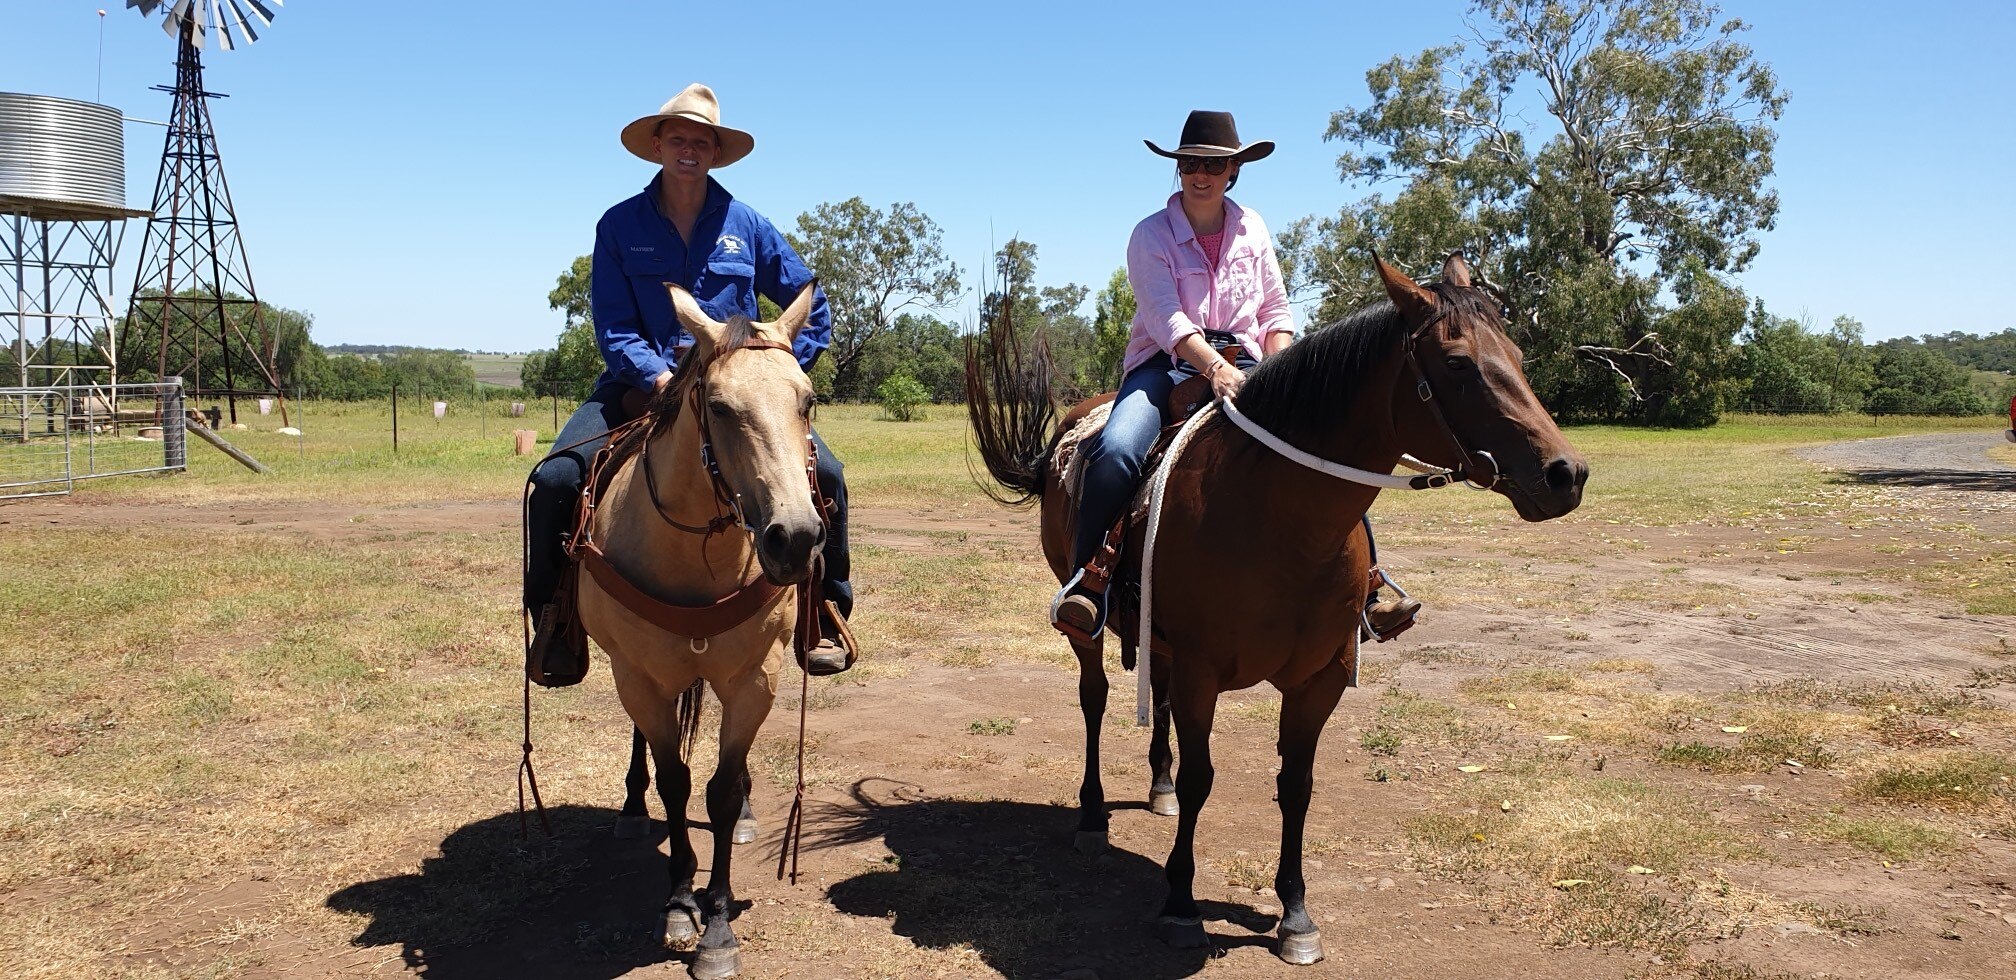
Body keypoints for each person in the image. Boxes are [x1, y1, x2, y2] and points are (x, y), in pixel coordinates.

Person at [1049, 109, 1422, 642]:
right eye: (1190, 164)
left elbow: (1275, 310)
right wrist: (1215, 368)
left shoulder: (1252, 227)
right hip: (1165, 365)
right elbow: (1164, 317)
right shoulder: (1150, 235)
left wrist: (1282, 369)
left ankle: (1368, 587)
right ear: (1178, 170)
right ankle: (1091, 582)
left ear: (1233, 171)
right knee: (1118, 449)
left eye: (1214, 165)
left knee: (1327, 447)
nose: (1201, 174)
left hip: (1248, 364)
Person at [525, 83, 855, 684]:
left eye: (701, 141)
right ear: (657, 145)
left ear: (715, 152)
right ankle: (557, 620)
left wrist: (773, 369)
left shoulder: (747, 225)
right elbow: (615, 326)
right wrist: (657, 380)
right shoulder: (619, 226)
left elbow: (815, 303)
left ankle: (821, 611)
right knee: (554, 479)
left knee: (826, 475)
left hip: (739, 395)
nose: (688, 150)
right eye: (677, 138)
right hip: (639, 384)